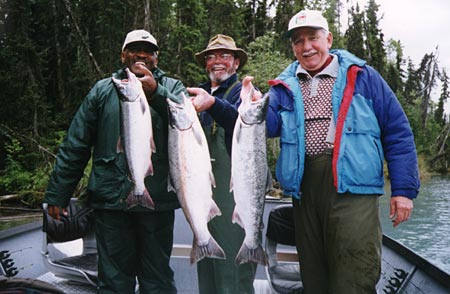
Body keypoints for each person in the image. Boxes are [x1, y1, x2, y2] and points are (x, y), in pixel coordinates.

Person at [244, 10, 420, 294]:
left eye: (312, 38)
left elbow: (397, 131)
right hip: (304, 191)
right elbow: (269, 126)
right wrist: (251, 107)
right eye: (298, 41)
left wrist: (403, 190)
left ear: (329, 38)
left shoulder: (363, 76)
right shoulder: (283, 86)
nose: (306, 47)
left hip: (354, 192)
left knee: (353, 277)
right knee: (314, 278)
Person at [44, 29, 186, 293]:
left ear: (156, 58)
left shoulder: (173, 88)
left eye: (149, 51)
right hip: (111, 202)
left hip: (157, 203)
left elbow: (188, 126)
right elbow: (76, 144)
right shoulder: (103, 90)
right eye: (135, 49)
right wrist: (58, 194)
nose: (142, 54)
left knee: (157, 280)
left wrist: (157, 93)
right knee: (113, 281)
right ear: (123, 55)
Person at [187, 34, 257, 294]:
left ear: (236, 63)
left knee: (233, 275)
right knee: (209, 273)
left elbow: (240, 120)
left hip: (236, 199)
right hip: (204, 196)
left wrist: (214, 103)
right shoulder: (195, 96)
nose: (217, 62)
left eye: (224, 56)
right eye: (211, 56)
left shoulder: (245, 93)